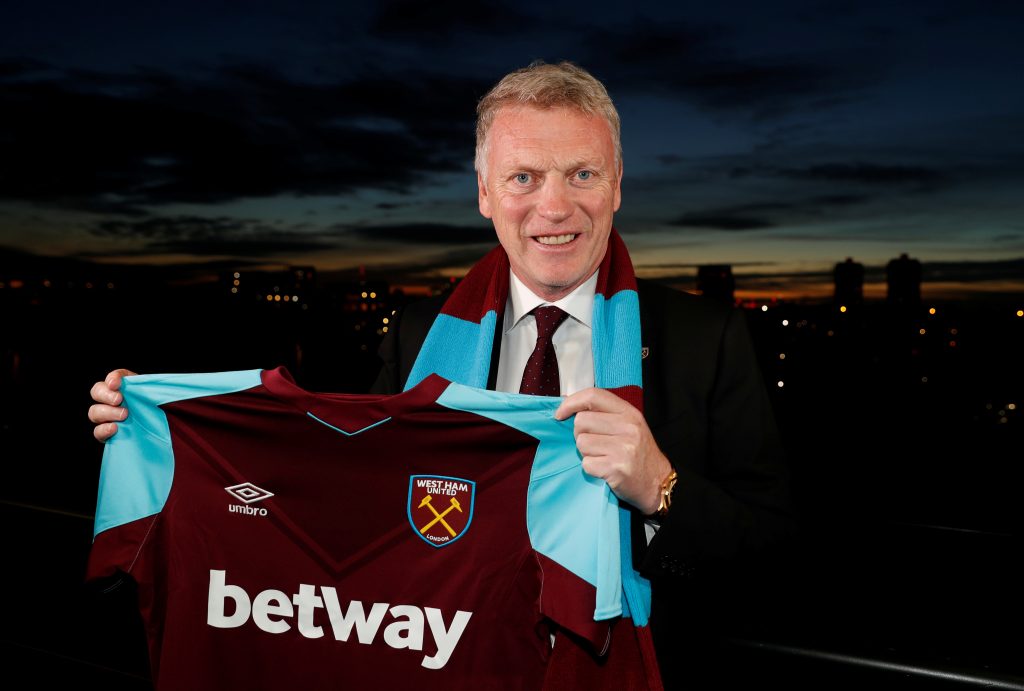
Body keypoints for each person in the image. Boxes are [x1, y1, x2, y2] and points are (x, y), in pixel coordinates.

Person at [89, 60, 796, 688]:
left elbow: (773, 549)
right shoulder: (418, 337)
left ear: (617, 186)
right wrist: (160, 433)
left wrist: (659, 488)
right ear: (485, 192)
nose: (555, 206)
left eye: (582, 173)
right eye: (524, 177)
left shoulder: (707, 340)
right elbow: (340, 492)